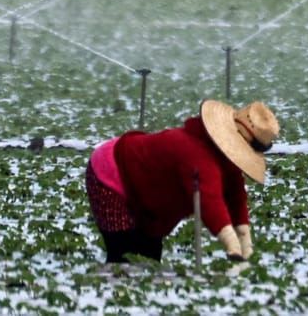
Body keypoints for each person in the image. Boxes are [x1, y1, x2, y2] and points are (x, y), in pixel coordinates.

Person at [84, 99, 279, 264]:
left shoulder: (225, 160)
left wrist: (246, 244)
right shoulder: (195, 153)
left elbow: (235, 196)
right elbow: (209, 201)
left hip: (146, 187)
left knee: (149, 254)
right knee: (123, 252)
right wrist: (232, 247)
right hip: (110, 172)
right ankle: (114, 295)